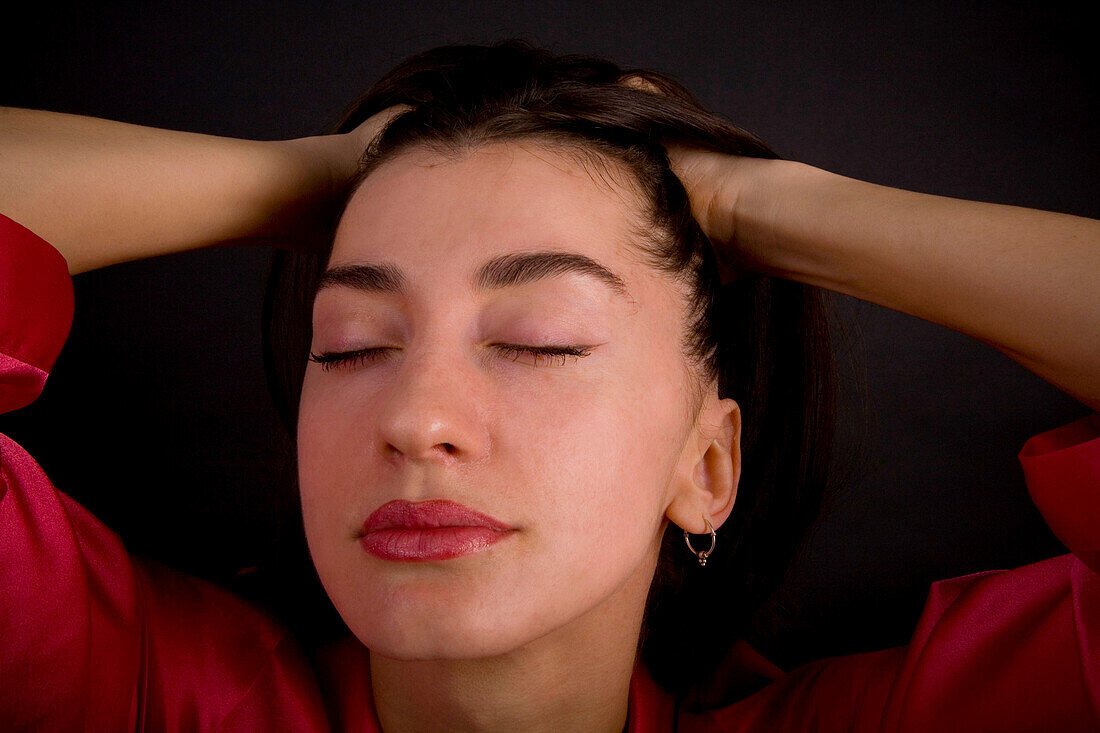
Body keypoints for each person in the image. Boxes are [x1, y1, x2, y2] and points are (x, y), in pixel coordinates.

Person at [1, 40, 1097, 732]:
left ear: (705, 464)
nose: (415, 419)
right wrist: (314, 172)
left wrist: (758, 205)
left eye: (537, 339)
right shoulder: (121, 687)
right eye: (351, 343)